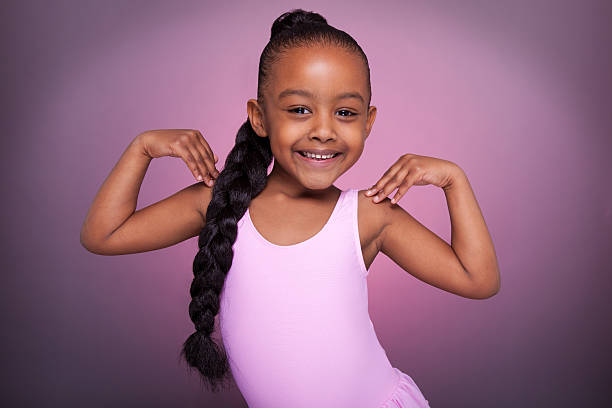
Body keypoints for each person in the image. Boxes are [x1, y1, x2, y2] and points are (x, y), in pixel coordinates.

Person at [80, 8, 500, 407]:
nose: (322, 130)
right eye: (300, 109)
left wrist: (453, 181)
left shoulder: (368, 215)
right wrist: (142, 149)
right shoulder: (218, 204)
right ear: (259, 117)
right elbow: (103, 235)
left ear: (368, 122)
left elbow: (477, 279)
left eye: (345, 112)